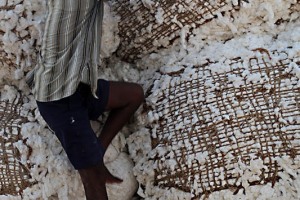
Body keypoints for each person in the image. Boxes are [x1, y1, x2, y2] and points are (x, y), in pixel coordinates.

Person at [26, 0, 144, 199]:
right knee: (95, 186)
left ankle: (97, 151)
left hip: (77, 86)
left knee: (134, 95)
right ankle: (94, 164)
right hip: (59, 99)